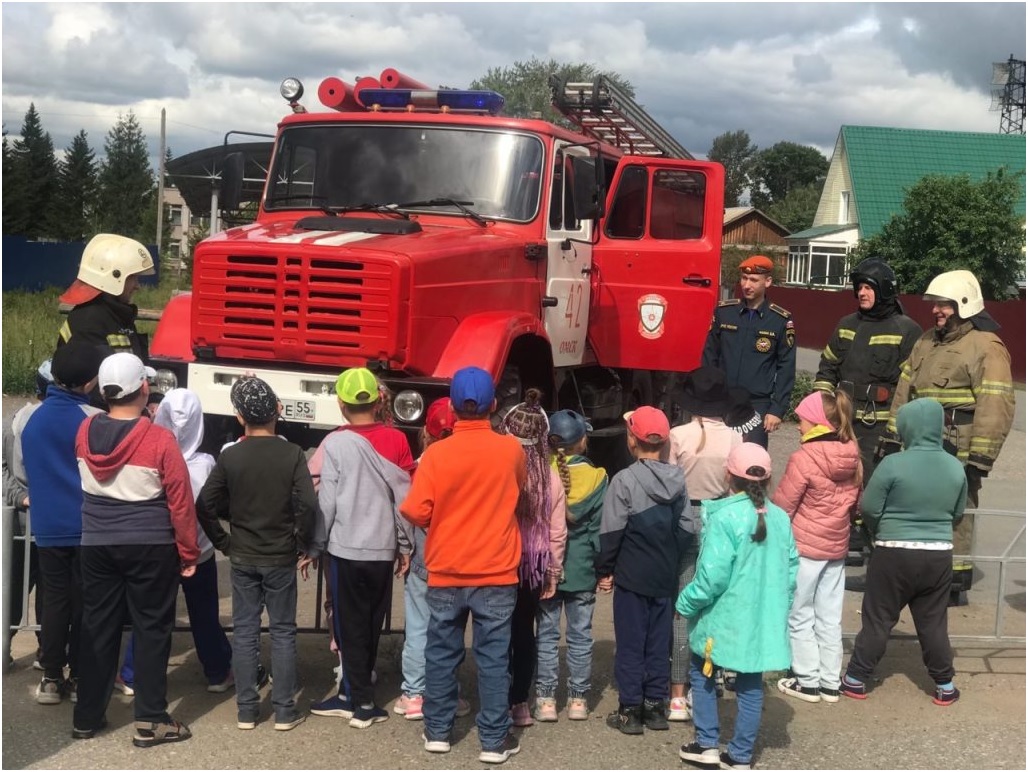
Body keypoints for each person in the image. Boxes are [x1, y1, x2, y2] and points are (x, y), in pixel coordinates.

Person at [72, 352, 200, 746]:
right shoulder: (159, 439)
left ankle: (86, 716)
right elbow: (180, 501)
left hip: (96, 543)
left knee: (98, 626)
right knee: (151, 629)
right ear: (144, 388)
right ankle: (151, 719)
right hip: (149, 545)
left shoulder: (85, 430)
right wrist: (188, 552)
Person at [400, 366, 527, 764]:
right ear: (494, 406)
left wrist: (444, 521)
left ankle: (437, 731)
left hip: (446, 569)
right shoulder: (511, 450)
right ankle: (493, 739)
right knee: (493, 656)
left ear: (452, 409)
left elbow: (415, 509)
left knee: (441, 652)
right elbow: (519, 491)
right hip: (496, 569)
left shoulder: (437, 454)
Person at [879, 269, 1015, 605]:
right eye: (935, 305)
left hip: (960, 443)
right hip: (921, 444)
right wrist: (892, 438)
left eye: (945, 305)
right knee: (917, 503)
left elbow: (995, 403)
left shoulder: (986, 347)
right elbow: (903, 391)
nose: (936, 311)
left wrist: (980, 459)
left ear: (965, 305)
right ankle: (922, 577)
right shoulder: (925, 341)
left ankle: (954, 582)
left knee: (957, 510)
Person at [197, 376, 317, 732]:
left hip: (243, 555)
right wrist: (302, 539)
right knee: (282, 631)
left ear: (238, 417)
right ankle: (283, 710)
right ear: (278, 411)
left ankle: (247, 710)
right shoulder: (292, 453)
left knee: (246, 631)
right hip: (280, 554)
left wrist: (223, 541)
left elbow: (205, 503)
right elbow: (308, 503)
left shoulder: (231, 455)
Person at [677, 443, 798, 771]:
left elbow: (712, 577)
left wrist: (685, 603)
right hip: (759, 620)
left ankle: (707, 744)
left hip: (722, 619)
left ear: (728, 474)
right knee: (750, 682)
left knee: (702, 673)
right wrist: (778, 610)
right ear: (768, 478)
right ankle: (741, 754)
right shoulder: (781, 518)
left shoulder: (725, 516)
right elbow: (790, 573)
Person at [305, 375, 414, 730]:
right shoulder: (397, 439)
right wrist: (404, 545)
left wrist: (315, 544)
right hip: (382, 547)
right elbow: (403, 498)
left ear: (341, 404)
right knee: (371, 621)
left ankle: (357, 699)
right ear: (380, 401)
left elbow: (328, 501)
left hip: (345, 546)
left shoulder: (336, 443)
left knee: (347, 622)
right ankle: (361, 691)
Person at [842, 399, 968, 706]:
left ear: (908, 427)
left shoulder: (893, 464)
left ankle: (856, 678)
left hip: (894, 552)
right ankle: (945, 685)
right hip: (938, 553)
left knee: (880, 617)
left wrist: (878, 528)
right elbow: (958, 513)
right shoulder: (955, 467)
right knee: (934, 622)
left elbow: (869, 508)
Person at [117, 389, 234, 694]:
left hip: (159, 548)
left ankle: (132, 673)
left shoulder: (150, 454)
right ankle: (218, 671)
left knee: (151, 615)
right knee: (204, 614)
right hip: (199, 551)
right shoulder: (207, 463)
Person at [666, 367, 759, 720]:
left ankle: (676, 693)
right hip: (722, 515)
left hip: (685, 515)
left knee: (684, 603)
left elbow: (672, 482)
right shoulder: (736, 440)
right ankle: (711, 676)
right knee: (717, 603)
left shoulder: (677, 435)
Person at [596, 407, 693, 735]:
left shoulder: (623, 480)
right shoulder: (679, 481)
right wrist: (671, 557)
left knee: (630, 643)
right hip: (664, 576)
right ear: (665, 445)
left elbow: (611, 531)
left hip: (632, 577)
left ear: (631, 441)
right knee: (658, 642)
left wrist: (605, 569)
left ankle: (630, 709)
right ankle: (655, 707)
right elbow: (686, 528)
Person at [21, 344, 105, 704]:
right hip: (86, 522)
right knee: (87, 601)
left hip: (47, 524)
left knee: (53, 601)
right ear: (89, 382)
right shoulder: (91, 418)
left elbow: (25, 471)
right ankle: (82, 672)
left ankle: (51, 676)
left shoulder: (31, 420)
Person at [772, 390, 862, 704]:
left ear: (817, 423)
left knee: (799, 615)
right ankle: (829, 681)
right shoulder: (852, 453)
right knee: (829, 615)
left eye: (801, 420)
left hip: (804, 547)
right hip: (836, 548)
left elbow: (783, 505)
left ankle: (807, 680)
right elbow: (855, 504)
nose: (797, 426)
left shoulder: (804, 457)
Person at [394, 398, 471, 721]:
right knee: (449, 631)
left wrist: (406, 549)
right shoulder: (471, 462)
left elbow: (407, 511)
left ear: (427, 431)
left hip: (425, 554)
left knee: (418, 626)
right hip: (461, 557)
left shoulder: (422, 465)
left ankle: (413, 694)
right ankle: (446, 692)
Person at [812, 257, 921, 483]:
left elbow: (911, 386)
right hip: (842, 420)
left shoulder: (906, 330)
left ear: (884, 290)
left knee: (872, 483)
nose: (862, 292)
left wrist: (896, 429)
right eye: (859, 287)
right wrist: (823, 410)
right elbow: (827, 369)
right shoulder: (846, 324)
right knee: (836, 478)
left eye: (869, 287)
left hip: (878, 426)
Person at [497, 389, 568, 728]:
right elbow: (558, 531)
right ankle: (519, 703)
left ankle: (494, 696)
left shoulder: (498, 470)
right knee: (524, 631)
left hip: (498, 558)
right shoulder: (552, 477)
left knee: (494, 630)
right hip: (533, 565)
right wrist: (553, 571)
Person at [533, 409, 607, 722]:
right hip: (582, 569)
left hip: (545, 568)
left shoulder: (538, 474)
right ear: (582, 442)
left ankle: (546, 699)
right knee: (580, 635)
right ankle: (578, 700)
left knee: (547, 636)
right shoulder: (598, 477)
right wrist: (603, 568)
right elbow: (599, 531)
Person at [702, 255, 795, 449]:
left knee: (751, 464)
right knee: (717, 459)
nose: (746, 285)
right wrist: (707, 396)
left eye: (753, 280)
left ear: (767, 281)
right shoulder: (724, 312)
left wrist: (777, 409)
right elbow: (709, 356)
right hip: (723, 401)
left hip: (756, 405)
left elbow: (786, 367)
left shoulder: (779, 320)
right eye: (744, 278)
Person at [3, 359, 54, 668]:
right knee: (50, 591)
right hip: (45, 522)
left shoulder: (13, 420)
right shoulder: (66, 421)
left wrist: (20, 497)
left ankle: (5, 647)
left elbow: (3, 470)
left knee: (11, 588)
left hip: (19, 519)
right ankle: (47, 653)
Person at [56, 233, 154, 361]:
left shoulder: (115, 315)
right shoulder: (89, 322)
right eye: (132, 277)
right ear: (114, 277)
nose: (137, 286)